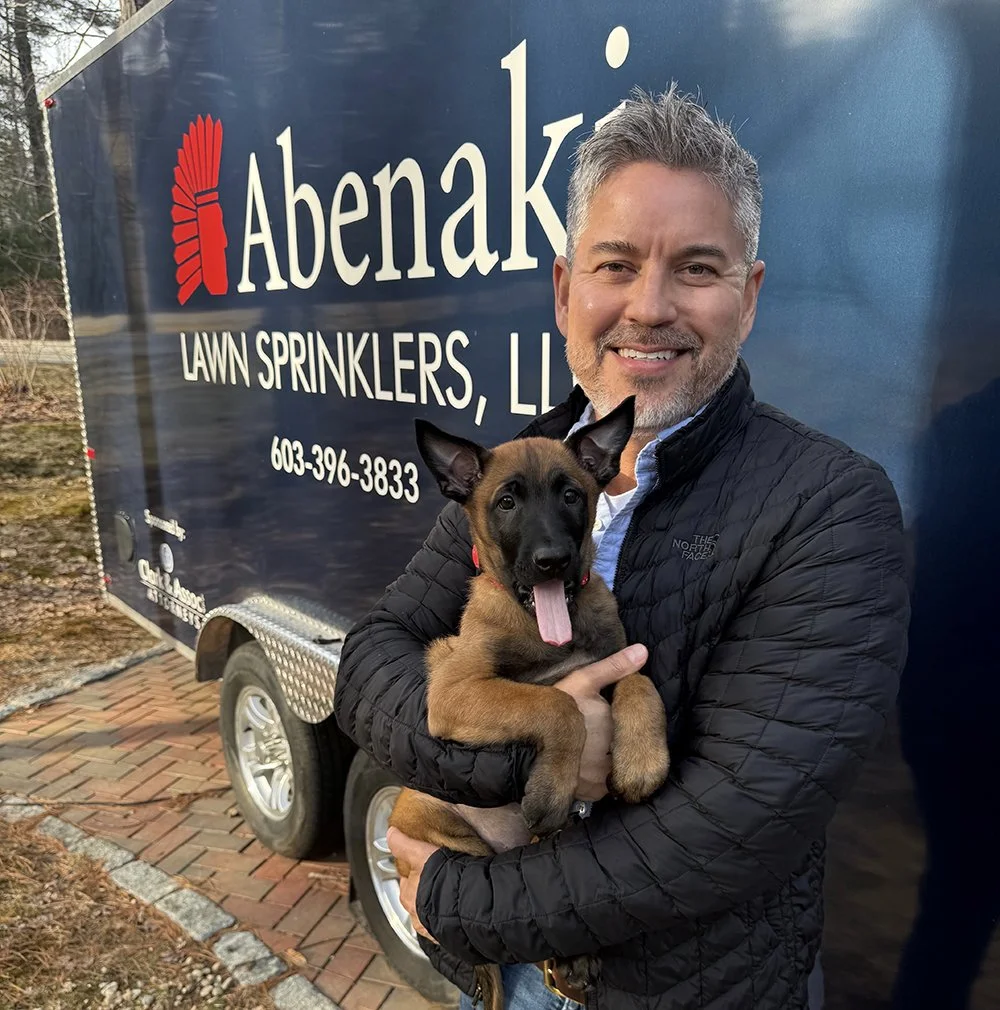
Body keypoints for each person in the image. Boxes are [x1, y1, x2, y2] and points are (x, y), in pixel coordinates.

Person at [334, 86, 910, 1010]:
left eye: (697, 268)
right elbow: (371, 656)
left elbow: (732, 828)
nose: (649, 305)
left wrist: (455, 898)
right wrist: (528, 745)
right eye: (616, 263)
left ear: (748, 297)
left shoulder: (830, 506)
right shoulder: (520, 471)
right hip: (504, 979)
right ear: (566, 289)